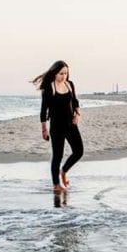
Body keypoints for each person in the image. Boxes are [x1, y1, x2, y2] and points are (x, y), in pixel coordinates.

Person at [32, 60, 83, 207]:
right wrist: (44, 128)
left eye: (66, 73)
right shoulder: (49, 87)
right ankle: (56, 184)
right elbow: (44, 110)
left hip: (71, 124)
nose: (64, 76)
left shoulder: (69, 84)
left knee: (79, 151)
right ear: (55, 73)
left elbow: (75, 101)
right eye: (61, 73)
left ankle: (64, 171)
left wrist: (77, 114)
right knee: (58, 156)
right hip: (56, 127)